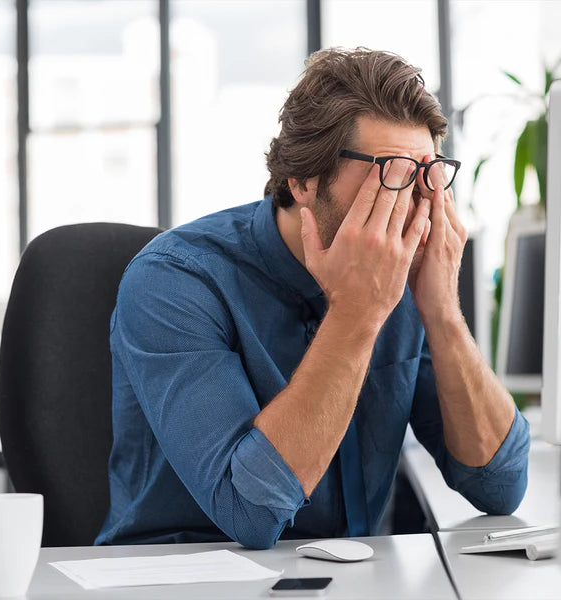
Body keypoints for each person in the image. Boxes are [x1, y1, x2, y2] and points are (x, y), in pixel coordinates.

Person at [95, 47, 530, 549]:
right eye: (391, 173)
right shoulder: (174, 281)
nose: (413, 205)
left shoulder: (408, 277)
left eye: (427, 176)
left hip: (352, 577)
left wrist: (442, 311)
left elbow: (499, 485)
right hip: (185, 577)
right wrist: (357, 312)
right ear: (303, 180)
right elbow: (251, 514)